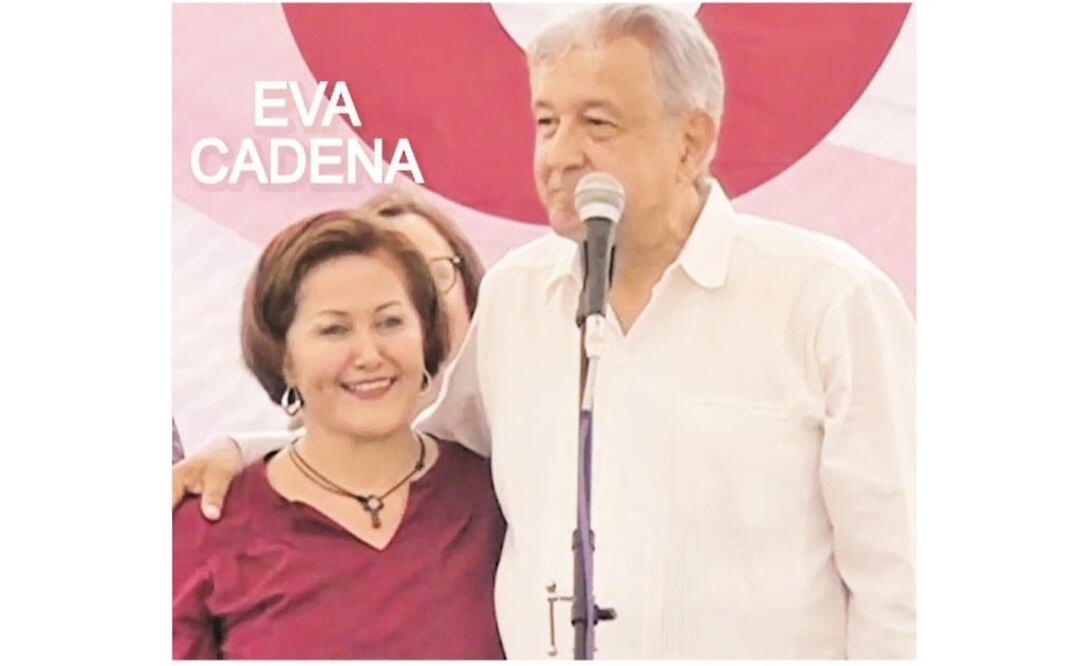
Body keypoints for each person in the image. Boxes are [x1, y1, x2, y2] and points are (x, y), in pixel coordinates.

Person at [175, 4, 915, 659]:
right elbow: (422, 444)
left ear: (690, 142)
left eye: (597, 123)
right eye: (545, 121)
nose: (560, 155)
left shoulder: (824, 301)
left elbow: (902, 580)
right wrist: (247, 453)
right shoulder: (520, 294)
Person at [172, 210, 504, 659]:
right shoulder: (203, 528)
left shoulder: (496, 497)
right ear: (282, 356)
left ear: (426, 336)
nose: (369, 354)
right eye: (334, 329)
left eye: (390, 322)